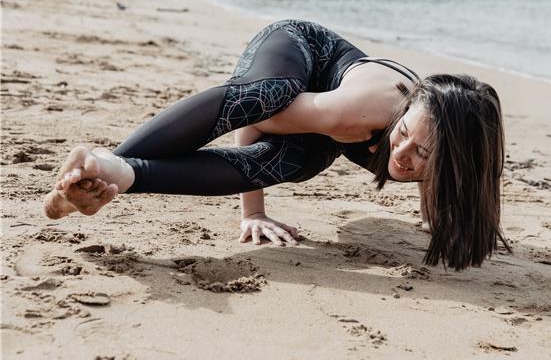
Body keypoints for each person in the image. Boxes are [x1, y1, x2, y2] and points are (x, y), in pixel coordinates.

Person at [42, 19, 509, 271]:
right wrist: (253, 213)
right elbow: (257, 121)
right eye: (402, 134)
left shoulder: (467, 155)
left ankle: (120, 174)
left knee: (300, 161)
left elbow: (462, 196)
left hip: (319, 122)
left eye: (422, 155)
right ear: (403, 112)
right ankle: (105, 167)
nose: (400, 156)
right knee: (270, 99)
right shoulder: (363, 111)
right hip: (298, 51)